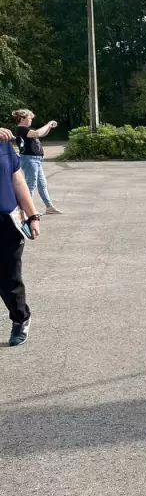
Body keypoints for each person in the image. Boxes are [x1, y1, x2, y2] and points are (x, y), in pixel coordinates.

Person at [0, 127, 40, 346]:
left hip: (6, 222)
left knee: (8, 279)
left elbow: (18, 182)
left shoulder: (4, 145)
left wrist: (33, 215)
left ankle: (20, 319)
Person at [12, 109, 61, 215]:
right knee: (31, 185)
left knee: (42, 184)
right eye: (29, 118)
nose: (31, 120)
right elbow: (37, 133)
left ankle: (49, 207)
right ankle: (27, 210)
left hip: (35, 160)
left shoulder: (26, 129)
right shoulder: (21, 129)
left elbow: (40, 134)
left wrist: (49, 127)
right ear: (22, 118)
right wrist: (48, 124)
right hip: (29, 159)